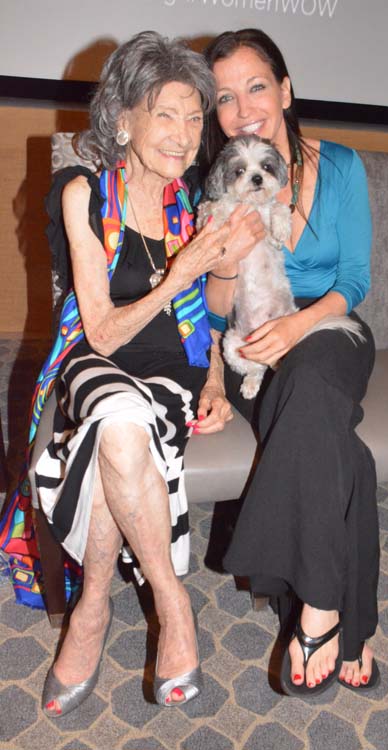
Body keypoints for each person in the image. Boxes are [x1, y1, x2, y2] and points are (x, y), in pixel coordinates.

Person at [0, 31, 264, 715]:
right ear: (124, 119)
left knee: (122, 430)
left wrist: (225, 271)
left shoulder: (195, 204)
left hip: (174, 372)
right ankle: (173, 605)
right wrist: (181, 268)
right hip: (98, 360)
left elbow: (215, 312)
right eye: (165, 114)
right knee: (116, 414)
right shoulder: (82, 194)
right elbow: (103, 329)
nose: (183, 135)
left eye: (195, 116)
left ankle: (93, 607)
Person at [201, 28, 380, 697]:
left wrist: (299, 324)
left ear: (284, 89)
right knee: (342, 448)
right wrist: (222, 266)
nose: (242, 107)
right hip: (248, 334)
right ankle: (343, 620)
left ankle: (311, 604)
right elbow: (212, 308)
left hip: (327, 324)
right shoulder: (217, 185)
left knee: (307, 378)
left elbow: (355, 281)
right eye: (224, 97)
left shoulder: (339, 167)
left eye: (255, 86)